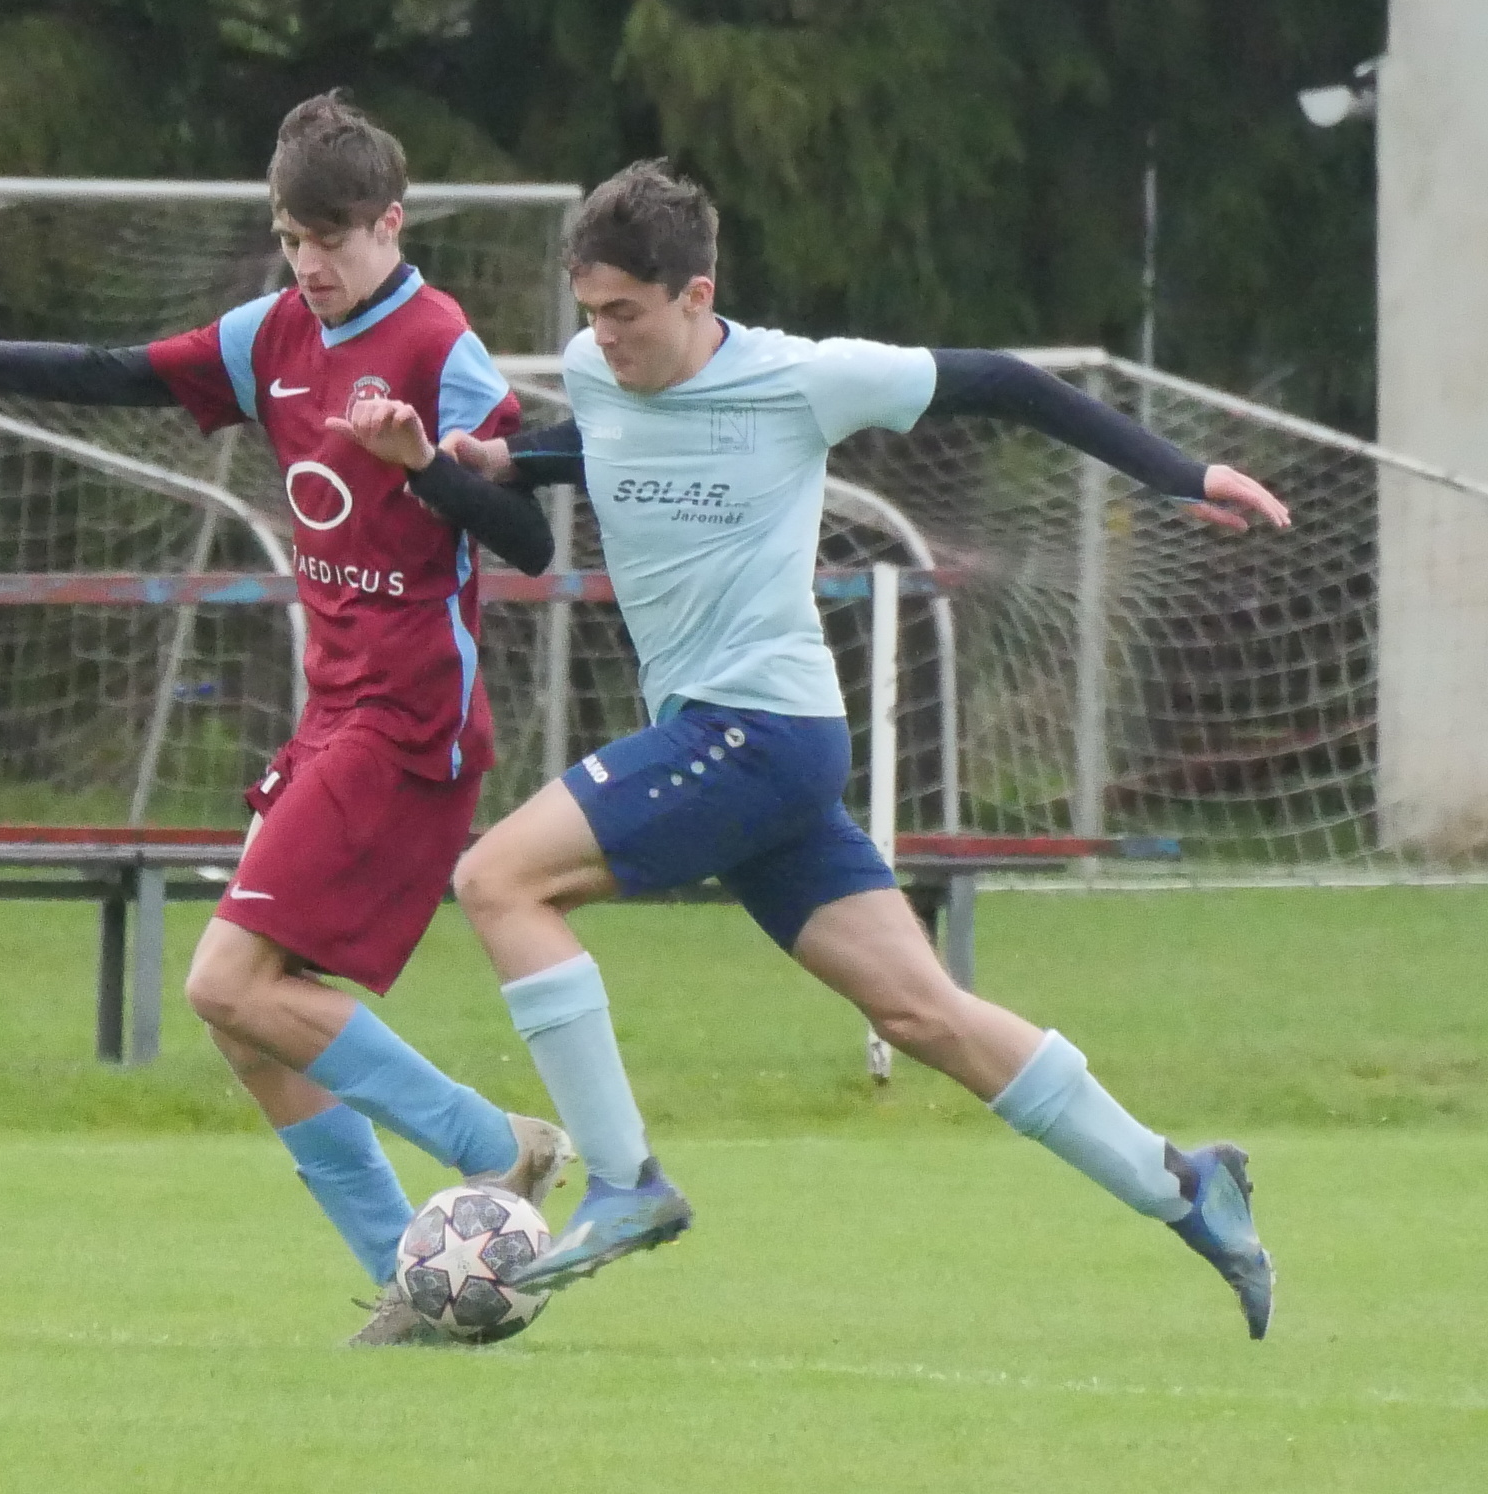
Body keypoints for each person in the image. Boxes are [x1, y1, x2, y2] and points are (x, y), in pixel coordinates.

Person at [324, 159, 1285, 1337]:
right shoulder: (594, 371)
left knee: (496, 880)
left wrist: (1180, 475)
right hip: (746, 750)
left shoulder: (804, 380)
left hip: (755, 730)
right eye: (591, 312)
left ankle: (625, 1183)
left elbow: (1003, 383)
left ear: (696, 295)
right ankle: (1186, 1187)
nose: (604, 337)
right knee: (925, 1015)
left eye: (627, 312)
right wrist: (491, 464)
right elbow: (615, 442)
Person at [0, 93, 571, 1345]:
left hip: (410, 719)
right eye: (290, 239)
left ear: (389, 224)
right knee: (246, 1022)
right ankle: (414, 1287)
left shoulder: (439, 346)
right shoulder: (270, 333)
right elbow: (118, 372)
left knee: (225, 980)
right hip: (335, 712)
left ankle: (496, 1143)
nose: (310, 264)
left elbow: (529, 541)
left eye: (330, 240)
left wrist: (423, 467)